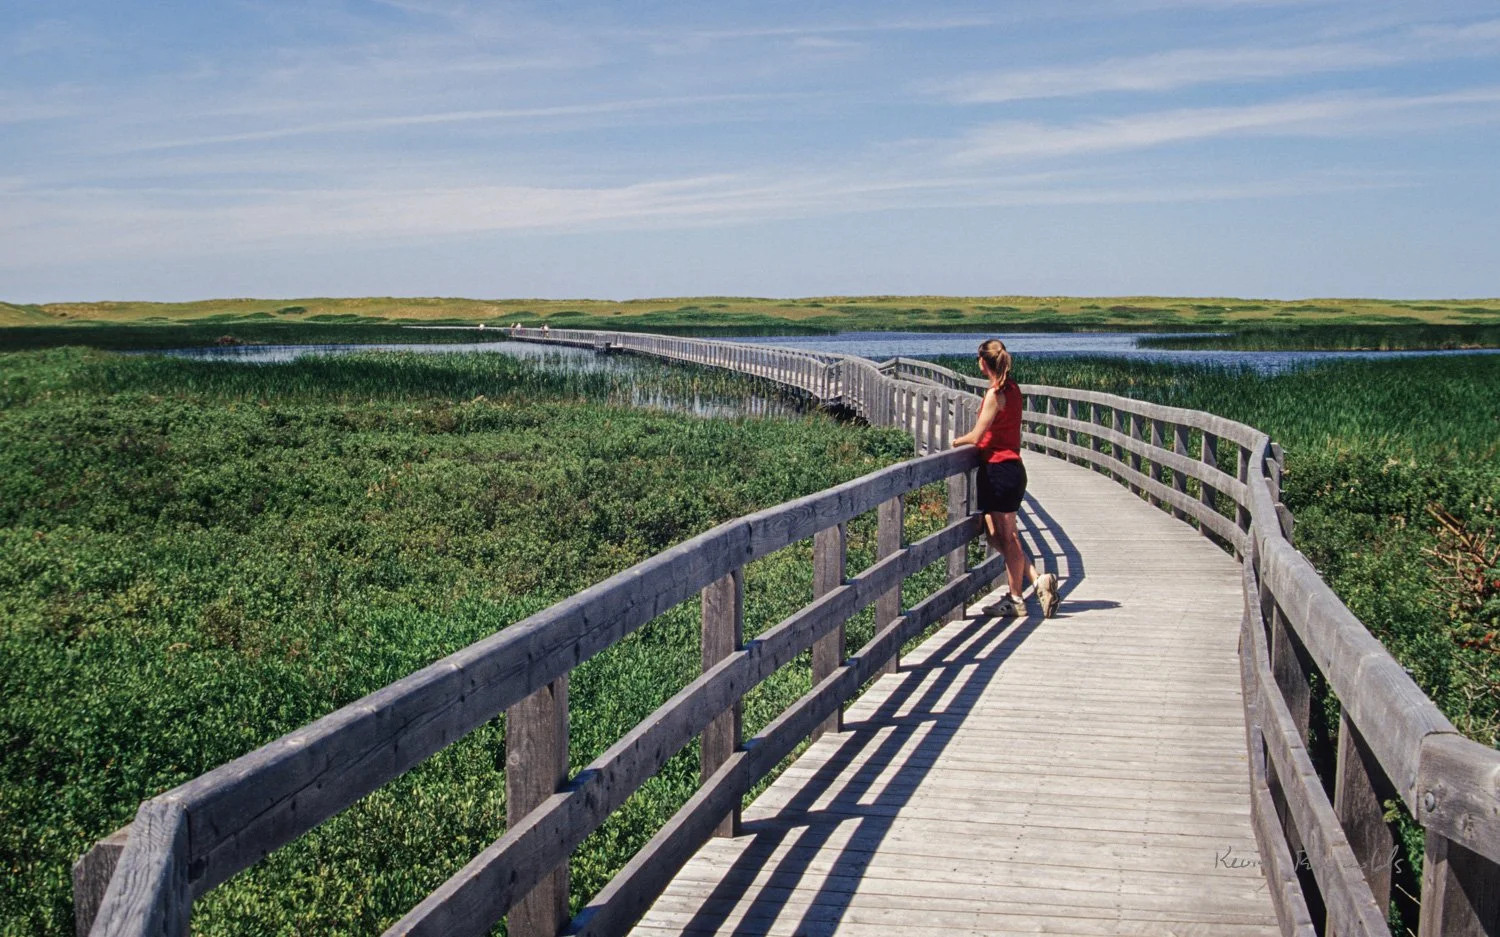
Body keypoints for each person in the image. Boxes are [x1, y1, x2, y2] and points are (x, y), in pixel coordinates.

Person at [951, 339, 1060, 618]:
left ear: (982, 362)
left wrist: (955, 442)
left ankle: (1015, 598)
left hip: (999, 470)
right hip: (1011, 469)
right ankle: (1037, 580)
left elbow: (976, 437)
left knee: (1008, 537)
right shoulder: (1014, 389)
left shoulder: (994, 394)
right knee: (994, 533)